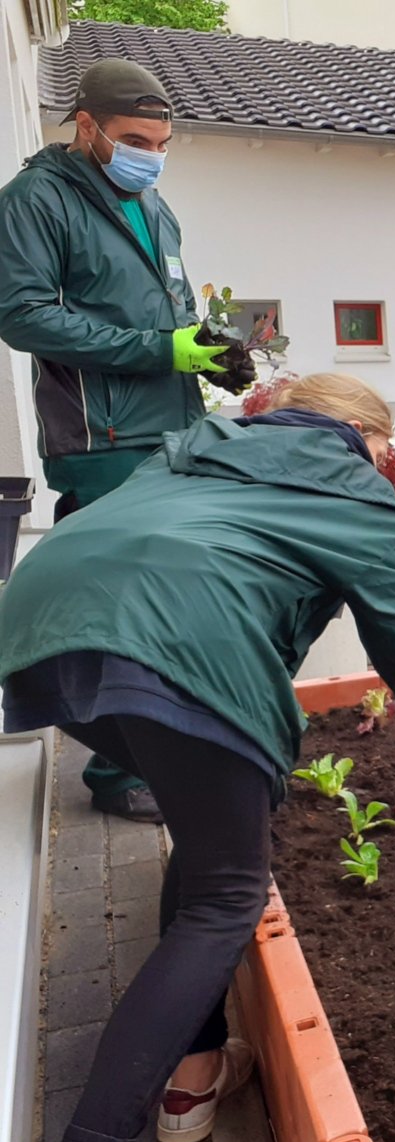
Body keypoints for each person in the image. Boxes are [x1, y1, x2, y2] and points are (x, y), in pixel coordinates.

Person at [0, 374, 395, 1142]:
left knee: (209, 840)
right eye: (385, 455)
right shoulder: (348, 481)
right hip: (180, 640)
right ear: (366, 440)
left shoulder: (203, 444)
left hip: (45, 617)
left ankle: (193, 1082)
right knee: (228, 896)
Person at [0, 59, 236, 823]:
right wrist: (157, 351)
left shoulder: (152, 204)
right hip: (102, 436)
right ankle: (118, 771)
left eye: (164, 142)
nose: (152, 154)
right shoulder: (36, 201)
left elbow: (166, 307)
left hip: (170, 425)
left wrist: (206, 350)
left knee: (165, 598)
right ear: (87, 125)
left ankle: (157, 750)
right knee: (120, 606)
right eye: (136, 139)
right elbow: (24, 315)